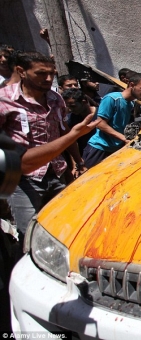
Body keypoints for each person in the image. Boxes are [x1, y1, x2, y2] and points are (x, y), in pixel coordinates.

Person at [0, 51, 97, 237]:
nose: (48, 78)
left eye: (52, 73)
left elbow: (64, 133)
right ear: (21, 71)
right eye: (41, 73)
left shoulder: (55, 99)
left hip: (57, 173)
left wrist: (78, 162)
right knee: (30, 234)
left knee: (63, 228)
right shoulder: (4, 101)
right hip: (23, 180)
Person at [82, 73, 141, 168]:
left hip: (115, 150)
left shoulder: (130, 104)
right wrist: (123, 139)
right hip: (99, 148)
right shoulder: (112, 99)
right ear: (131, 85)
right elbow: (100, 124)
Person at [62, 88, 98, 155]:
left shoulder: (101, 114)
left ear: (84, 102)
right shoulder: (71, 119)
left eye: (73, 106)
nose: (70, 109)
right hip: (86, 156)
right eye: (68, 106)